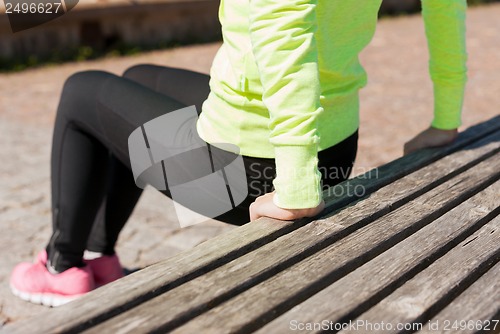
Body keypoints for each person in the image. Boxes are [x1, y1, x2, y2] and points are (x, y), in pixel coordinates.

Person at [10, 0, 467, 306]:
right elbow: (446, 6)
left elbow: (285, 33)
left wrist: (295, 187)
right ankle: (99, 256)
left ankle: (61, 266)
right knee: (136, 75)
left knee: (81, 93)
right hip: (335, 146)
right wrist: (446, 118)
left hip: (247, 173)